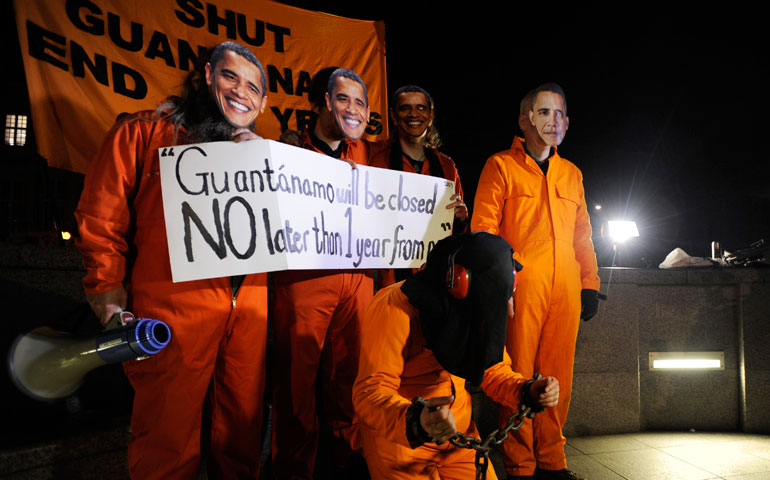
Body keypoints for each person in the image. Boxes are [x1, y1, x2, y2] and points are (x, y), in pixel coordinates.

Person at [75, 41, 269, 479]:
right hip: (174, 308)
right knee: (167, 440)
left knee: (241, 436)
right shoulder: (143, 132)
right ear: (205, 76)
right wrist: (108, 294)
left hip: (248, 312)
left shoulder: (263, 152)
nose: (242, 91)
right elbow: (100, 217)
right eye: (231, 76)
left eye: (254, 87)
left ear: (262, 102)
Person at [353, 231, 559, 479]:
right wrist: (417, 421)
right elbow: (370, 391)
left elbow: (492, 368)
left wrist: (526, 390)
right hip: (401, 444)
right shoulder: (394, 307)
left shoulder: (478, 305)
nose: (510, 312)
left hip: (459, 439)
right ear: (457, 282)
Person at [471, 83, 600, 480]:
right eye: (544, 113)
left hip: (565, 293)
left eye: (560, 114)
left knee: (559, 376)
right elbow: (484, 230)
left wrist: (589, 282)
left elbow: (583, 236)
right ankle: (522, 465)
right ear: (525, 119)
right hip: (520, 291)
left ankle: (552, 462)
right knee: (520, 376)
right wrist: (499, 283)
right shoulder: (500, 166)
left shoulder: (572, 173)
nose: (553, 121)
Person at [271, 67, 374, 479]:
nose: (353, 109)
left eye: (361, 102)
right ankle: (295, 472)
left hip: (358, 280)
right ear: (320, 104)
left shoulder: (370, 153)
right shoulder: (287, 152)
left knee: (350, 384)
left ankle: (346, 466)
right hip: (304, 282)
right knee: (295, 388)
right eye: (343, 99)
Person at [369, 85, 467, 287]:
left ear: (430, 115)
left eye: (421, 108)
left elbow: (458, 231)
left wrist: (462, 218)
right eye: (405, 108)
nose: (413, 114)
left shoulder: (447, 166)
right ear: (394, 116)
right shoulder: (378, 163)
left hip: (438, 281)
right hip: (391, 282)